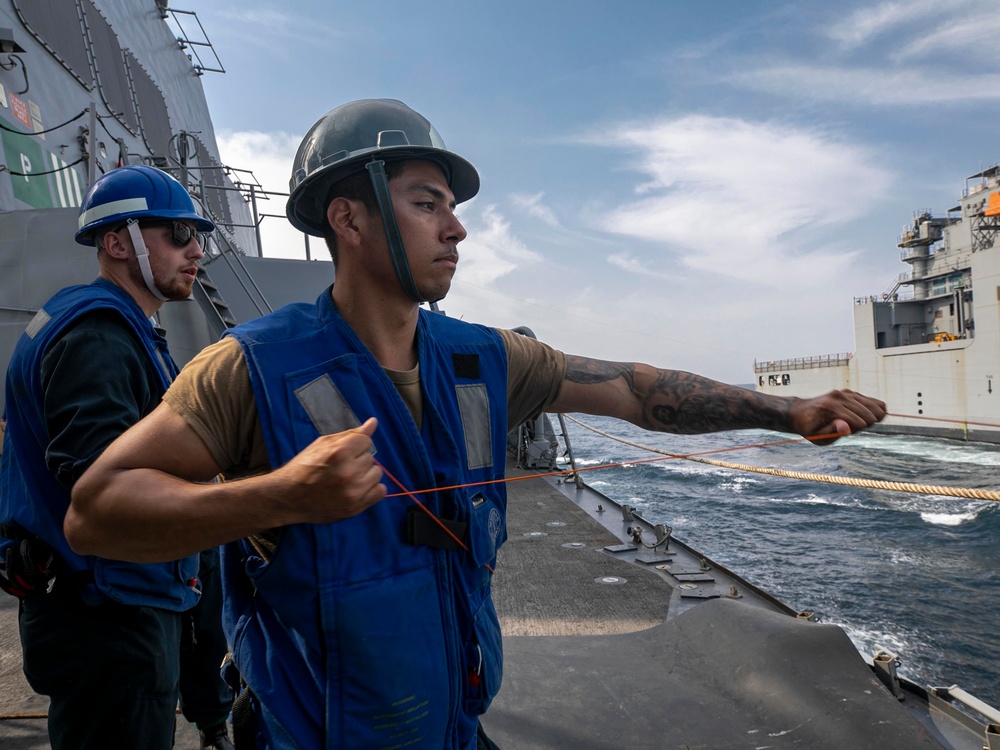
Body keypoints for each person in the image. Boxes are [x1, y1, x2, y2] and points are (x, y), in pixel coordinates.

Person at [66, 100, 886, 749]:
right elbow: (96, 511)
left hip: (453, 727)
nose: (456, 228)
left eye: (452, 207)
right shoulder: (248, 368)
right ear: (348, 219)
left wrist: (787, 410)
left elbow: (634, 391)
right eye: (427, 204)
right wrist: (278, 497)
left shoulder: (484, 358)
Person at [0, 165, 232, 750]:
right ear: (117, 241)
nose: (195, 250)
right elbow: (107, 500)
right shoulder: (98, 337)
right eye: (178, 233)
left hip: (109, 607)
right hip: (109, 617)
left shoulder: (112, 327)